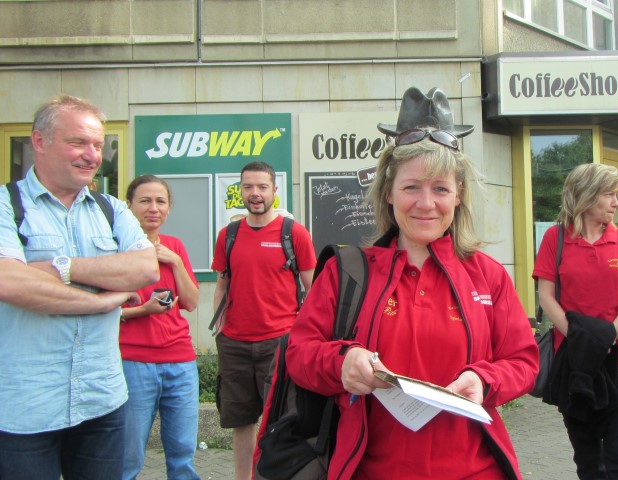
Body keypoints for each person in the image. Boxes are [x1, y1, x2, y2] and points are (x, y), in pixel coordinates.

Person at [286, 86, 539, 479]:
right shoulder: (346, 272)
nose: (426, 203)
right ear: (388, 193)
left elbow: (523, 362)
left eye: (440, 188)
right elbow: (299, 355)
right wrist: (342, 362)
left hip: (476, 471)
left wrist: (484, 379)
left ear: (458, 196)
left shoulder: (488, 276)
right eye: (411, 187)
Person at [0, 95, 159, 478]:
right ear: (39, 141)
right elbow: (9, 281)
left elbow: (145, 268)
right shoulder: (6, 204)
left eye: (98, 145)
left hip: (102, 400)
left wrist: (62, 268)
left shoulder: (111, 209)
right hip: (25, 406)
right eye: (78, 143)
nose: (92, 156)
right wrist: (101, 302)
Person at [532, 163, 618, 479]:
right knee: (588, 462)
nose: (616, 203)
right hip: (575, 362)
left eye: (617, 195)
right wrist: (583, 341)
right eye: (609, 194)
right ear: (585, 195)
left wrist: (605, 337)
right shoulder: (555, 238)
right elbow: (547, 298)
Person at [211, 160, 317, 480]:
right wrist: (219, 330)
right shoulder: (228, 235)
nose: (254, 193)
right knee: (241, 422)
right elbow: (222, 285)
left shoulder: (293, 233)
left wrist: (307, 337)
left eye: (261, 187)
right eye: (248, 187)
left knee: (280, 420)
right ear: (240, 191)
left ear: (274, 190)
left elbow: (313, 289)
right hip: (235, 344)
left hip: (279, 343)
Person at [120, 175, 201, 480]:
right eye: (145, 201)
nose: (153, 208)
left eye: (160, 201)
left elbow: (191, 302)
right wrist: (144, 310)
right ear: (129, 206)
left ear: (168, 208)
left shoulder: (174, 246)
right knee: (128, 457)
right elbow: (103, 310)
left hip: (180, 362)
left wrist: (176, 262)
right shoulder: (116, 246)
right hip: (133, 362)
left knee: (183, 456)